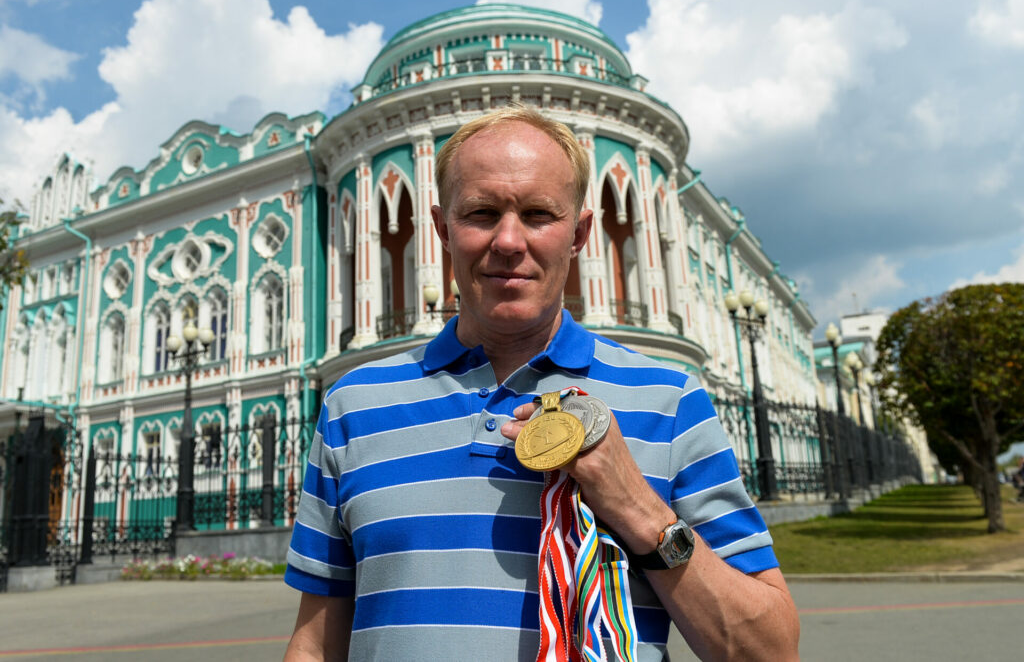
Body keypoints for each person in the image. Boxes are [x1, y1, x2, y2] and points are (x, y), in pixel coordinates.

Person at [283, 105, 800, 661]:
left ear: (578, 234)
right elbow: (315, 645)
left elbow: (768, 651)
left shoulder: (669, 400)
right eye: (481, 212)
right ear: (440, 230)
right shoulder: (353, 405)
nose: (508, 241)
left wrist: (640, 511)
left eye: (537, 214)